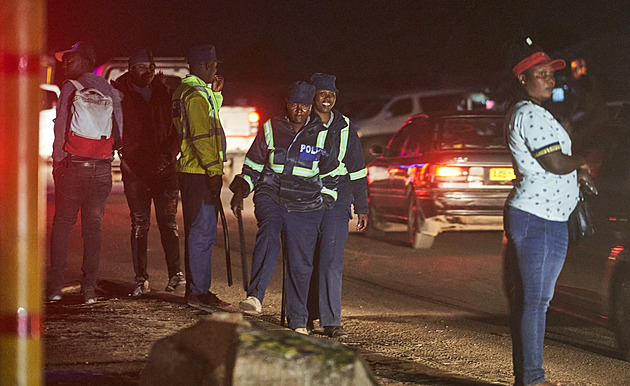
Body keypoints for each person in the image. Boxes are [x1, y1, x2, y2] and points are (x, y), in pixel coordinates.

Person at [503, 35, 596, 386]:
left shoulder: (537, 114)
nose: (549, 78)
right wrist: (583, 162)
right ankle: (531, 378)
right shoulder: (528, 113)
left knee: (536, 300)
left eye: (551, 73)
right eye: (540, 73)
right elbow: (556, 162)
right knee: (535, 302)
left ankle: (529, 376)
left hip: (547, 218)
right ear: (522, 80)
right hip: (538, 219)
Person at [230, 81, 339, 334]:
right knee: (269, 231)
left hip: (306, 204)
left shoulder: (322, 134)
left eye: (304, 105)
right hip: (272, 195)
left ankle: (299, 321)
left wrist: (325, 201)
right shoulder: (270, 128)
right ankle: (255, 297)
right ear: (287, 105)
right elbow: (254, 165)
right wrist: (242, 189)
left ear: (310, 106)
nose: (299, 110)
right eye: (294, 104)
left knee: (301, 265)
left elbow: (332, 174)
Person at [48, 42, 123, 304]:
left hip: (73, 167)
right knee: (93, 229)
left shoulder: (71, 88)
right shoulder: (110, 91)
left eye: (71, 60)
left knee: (62, 226)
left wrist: (58, 163)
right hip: (101, 170)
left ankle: (56, 287)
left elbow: (60, 131)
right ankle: (88, 289)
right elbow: (119, 132)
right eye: (64, 60)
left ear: (86, 62)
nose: (65, 64)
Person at [112, 49, 184, 297]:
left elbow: (178, 129)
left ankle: (176, 274)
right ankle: (141, 278)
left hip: (166, 169)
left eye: (150, 66)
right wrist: (132, 160)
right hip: (135, 171)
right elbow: (117, 133)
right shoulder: (119, 96)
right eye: (141, 67)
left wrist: (168, 156)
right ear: (131, 70)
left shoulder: (167, 93)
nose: (148, 71)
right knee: (140, 225)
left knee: (169, 224)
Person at [305, 73, 368, 338]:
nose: (328, 98)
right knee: (304, 261)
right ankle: (303, 316)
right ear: (313, 96)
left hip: (338, 201)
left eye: (332, 94)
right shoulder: (301, 123)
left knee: (331, 261)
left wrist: (361, 205)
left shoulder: (344, 126)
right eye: (322, 93)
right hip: (305, 200)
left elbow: (357, 168)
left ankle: (331, 321)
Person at [172, 44, 229, 308]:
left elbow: (207, 120)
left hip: (194, 171)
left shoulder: (189, 91)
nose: (216, 70)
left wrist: (215, 96)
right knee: (201, 233)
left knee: (200, 231)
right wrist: (214, 170)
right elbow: (201, 136)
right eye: (214, 66)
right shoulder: (195, 95)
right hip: (199, 172)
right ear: (205, 65)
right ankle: (198, 292)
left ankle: (198, 290)